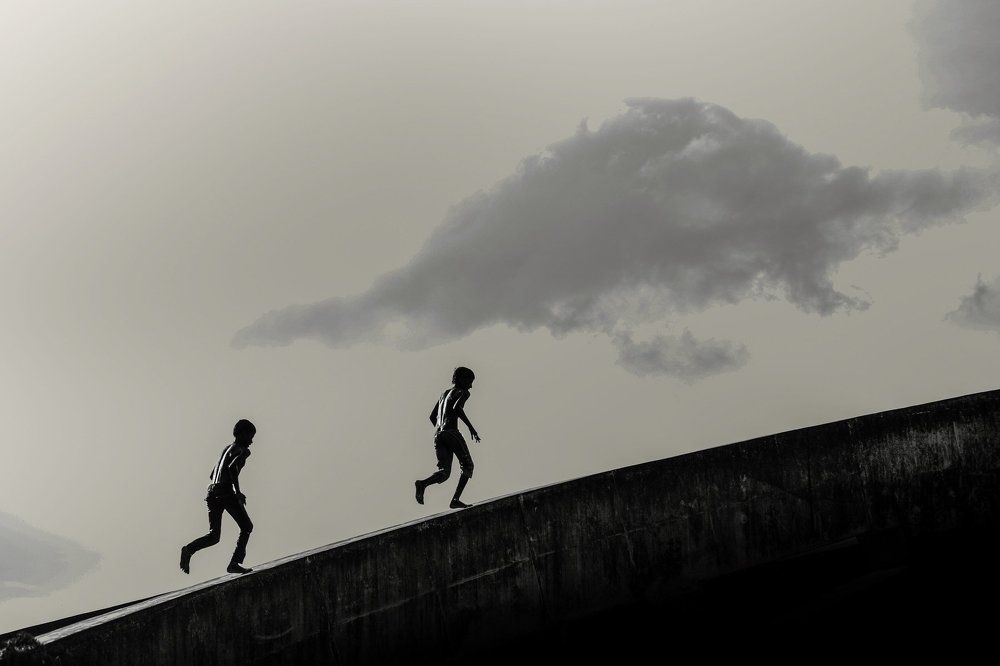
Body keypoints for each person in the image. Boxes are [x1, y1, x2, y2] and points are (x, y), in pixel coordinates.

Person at [180, 419, 256, 575]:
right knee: (247, 526)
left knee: (214, 536)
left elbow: (212, 474)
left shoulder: (226, 449)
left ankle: (188, 549)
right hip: (225, 492)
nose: (251, 441)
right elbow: (232, 468)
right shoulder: (242, 450)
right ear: (242, 434)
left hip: (212, 492)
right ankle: (234, 563)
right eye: (250, 437)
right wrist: (238, 492)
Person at [415, 367, 482, 509]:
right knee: (468, 465)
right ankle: (455, 499)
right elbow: (457, 408)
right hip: (451, 432)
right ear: (461, 379)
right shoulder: (463, 392)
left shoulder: (443, 394)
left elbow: (432, 417)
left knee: (444, 473)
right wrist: (471, 429)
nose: (471, 386)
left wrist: (442, 428)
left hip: (438, 435)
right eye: (469, 382)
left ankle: (423, 484)